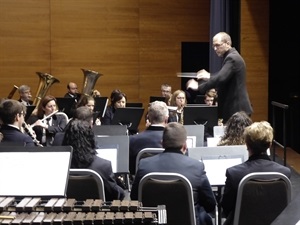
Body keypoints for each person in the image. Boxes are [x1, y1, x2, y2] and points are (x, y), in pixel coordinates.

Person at [131, 122, 216, 225]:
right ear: (185, 146)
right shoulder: (197, 167)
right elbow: (210, 203)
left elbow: (134, 197)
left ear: (162, 143)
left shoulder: (144, 165)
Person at [220, 121, 291, 225]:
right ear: (270, 145)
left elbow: (226, 207)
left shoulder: (234, 173)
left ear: (247, 144)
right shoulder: (284, 173)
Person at [186, 32, 253, 123]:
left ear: (227, 44)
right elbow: (224, 76)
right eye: (214, 46)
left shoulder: (232, 58)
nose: (215, 49)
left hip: (237, 110)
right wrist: (209, 76)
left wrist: (199, 86)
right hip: (235, 110)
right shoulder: (231, 57)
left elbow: (221, 78)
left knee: (235, 137)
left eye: (217, 45)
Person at [62, 119, 125, 201]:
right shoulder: (103, 165)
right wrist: (120, 187)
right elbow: (115, 195)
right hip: (96, 211)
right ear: (90, 139)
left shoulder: (59, 165)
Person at [129, 101, 169, 174]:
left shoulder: (132, 140)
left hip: (142, 183)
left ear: (148, 118)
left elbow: (131, 170)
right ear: (166, 119)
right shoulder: (175, 140)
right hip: (171, 183)